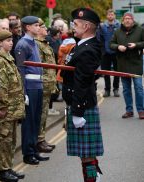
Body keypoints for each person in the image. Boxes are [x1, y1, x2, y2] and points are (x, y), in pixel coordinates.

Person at [61, 8, 103, 182]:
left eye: (76, 24)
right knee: (85, 154)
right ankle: (94, 177)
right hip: (79, 103)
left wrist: (77, 112)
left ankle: (92, 180)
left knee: (86, 155)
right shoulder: (82, 45)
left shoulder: (88, 49)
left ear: (86, 26)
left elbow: (82, 83)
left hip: (82, 106)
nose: (73, 26)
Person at [15, 16, 49, 165]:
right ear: (28, 27)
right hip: (29, 86)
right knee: (29, 122)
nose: (38, 27)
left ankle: (34, 149)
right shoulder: (22, 44)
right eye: (36, 25)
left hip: (38, 84)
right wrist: (23, 92)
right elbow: (21, 70)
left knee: (36, 120)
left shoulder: (33, 42)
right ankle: (28, 153)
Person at [0, 30, 25, 182]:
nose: (11, 42)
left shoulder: (9, 59)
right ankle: (3, 170)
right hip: (6, 108)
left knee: (11, 140)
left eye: (11, 40)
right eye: (7, 40)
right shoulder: (0, 61)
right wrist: (2, 107)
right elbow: (1, 87)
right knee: (4, 139)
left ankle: (8, 167)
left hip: (14, 107)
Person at [110, 12, 144, 119]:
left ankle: (141, 110)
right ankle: (129, 110)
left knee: (138, 88)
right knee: (126, 89)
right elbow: (111, 44)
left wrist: (136, 45)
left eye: (129, 18)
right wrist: (118, 46)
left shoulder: (140, 30)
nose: (127, 20)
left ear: (133, 20)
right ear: (123, 21)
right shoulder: (117, 31)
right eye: (125, 19)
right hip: (123, 64)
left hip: (136, 63)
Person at [35, 18, 56, 153]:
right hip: (42, 83)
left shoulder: (45, 44)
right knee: (41, 114)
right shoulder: (37, 45)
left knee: (44, 113)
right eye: (43, 27)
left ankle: (42, 138)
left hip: (49, 83)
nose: (46, 30)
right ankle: (39, 140)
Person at [98, 9, 120, 97]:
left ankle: (116, 89)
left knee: (117, 72)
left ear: (114, 16)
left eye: (112, 15)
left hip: (116, 52)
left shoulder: (119, 26)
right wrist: (102, 50)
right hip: (105, 52)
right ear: (107, 16)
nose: (110, 16)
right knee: (106, 72)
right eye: (109, 15)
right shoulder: (102, 26)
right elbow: (100, 39)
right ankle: (107, 89)